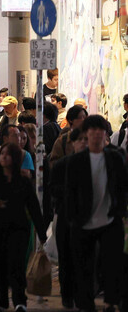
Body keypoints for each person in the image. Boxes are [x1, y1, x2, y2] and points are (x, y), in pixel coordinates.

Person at [64, 114, 127, 312]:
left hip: (110, 219)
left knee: (112, 264)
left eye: (101, 130)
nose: (97, 134)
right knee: (84, 267)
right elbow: (70, 192)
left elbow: (123, 186)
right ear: (87, 134)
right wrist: (73, 218)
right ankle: (86, 304)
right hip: (83, 222)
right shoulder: (76, 161)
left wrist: (121, 212)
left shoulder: (115, 157)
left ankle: (110, 301)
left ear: (105, 134)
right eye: (93, 130)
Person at [0, 142, 46, 312]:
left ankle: (20, 301)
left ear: (15, 158)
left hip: (19, 228)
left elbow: (34, 207)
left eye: (7, 154)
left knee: (16, 265)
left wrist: (42, 234)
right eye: (1, 154)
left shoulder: (23, 180)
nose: (3, 157)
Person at [49, 126, 88, 310]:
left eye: (85, 139)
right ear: (72, 143)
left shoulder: (96, 163)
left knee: (84, 259)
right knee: (65, 258)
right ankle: (67, 295)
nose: (83, 143)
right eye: (79, 139)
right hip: (66, 215)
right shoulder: (61, 165)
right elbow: (53, 189)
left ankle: (82, 296)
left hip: (88, 218)